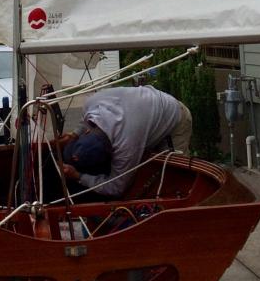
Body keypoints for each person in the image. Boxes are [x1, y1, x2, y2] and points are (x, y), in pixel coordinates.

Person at [60, 85, 192, 199]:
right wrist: (74, 135)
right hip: (147, 107)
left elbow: (116, 188)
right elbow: (84, 122)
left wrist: (78, 176)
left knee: (174, 175)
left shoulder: (126, 146)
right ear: (88, 131)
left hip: (175, 117)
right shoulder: (91, 103)